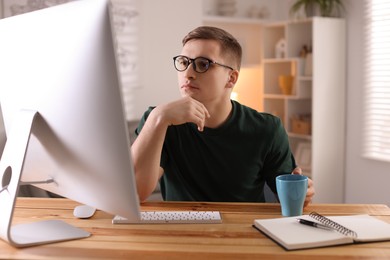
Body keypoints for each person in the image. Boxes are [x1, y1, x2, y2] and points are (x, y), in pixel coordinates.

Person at [131, 26, 315, 206]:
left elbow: (291, 199)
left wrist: (303, 193)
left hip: (244, 232)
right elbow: (136, 193)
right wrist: (158, 118)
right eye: (183, 62)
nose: (188, 74)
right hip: (182, 232)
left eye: (203, 64)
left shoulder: (267, 129)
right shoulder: (159, 121)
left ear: (231, 78)